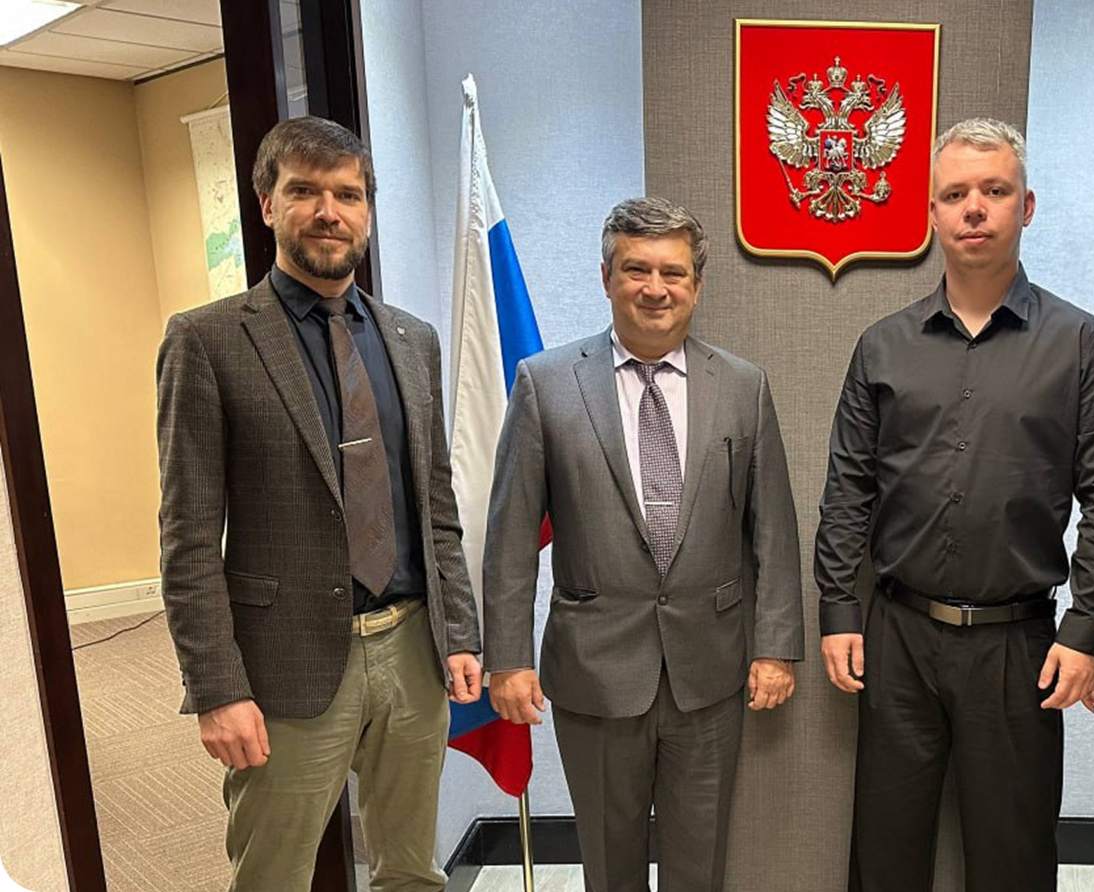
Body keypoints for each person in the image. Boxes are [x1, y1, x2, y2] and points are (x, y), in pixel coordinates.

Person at [156, 115, 482, 892]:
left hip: (412, 652)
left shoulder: (412, 340)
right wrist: (218, 689)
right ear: (268, 204)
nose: (329, 212)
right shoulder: (208, 341)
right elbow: (188, 539)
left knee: (413, 871)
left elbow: (435, 506)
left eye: (348, 194)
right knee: (273, 876)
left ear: (367, 210)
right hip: (285, 666)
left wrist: (459, 632)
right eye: (305, 192)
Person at [814, 118, 1094, 892]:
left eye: (994, 190)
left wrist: (1087, 627)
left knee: (1013, 855)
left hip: (1019, 645)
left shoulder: (1082, 344)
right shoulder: (882, 346)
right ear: (931, 211)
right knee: (886, 851)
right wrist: (837, 609)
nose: (974, 208)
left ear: (1027, 206)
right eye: (955, 193)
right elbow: (849, 487)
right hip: (896, 636)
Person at [481, 197, 803, 892]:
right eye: (636, 270)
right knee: (610, 866)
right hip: (593, 672)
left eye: (673, 273)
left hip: (709, 673)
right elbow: (509, 538)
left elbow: (774, 528)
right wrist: (506, 658)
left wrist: (776, 646)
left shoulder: (743, 387)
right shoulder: (545, 384)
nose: (655, 288)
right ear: (607, 278)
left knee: (699, 866)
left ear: (697, 285)